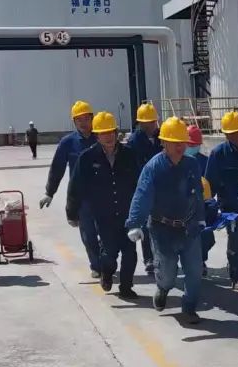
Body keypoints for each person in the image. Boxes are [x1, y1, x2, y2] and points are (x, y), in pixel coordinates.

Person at [126, 117, 206, 324]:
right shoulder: (153, 167)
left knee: (195, 271)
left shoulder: (192, 165)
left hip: (189, 227)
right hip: (162, 228)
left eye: (183, 142)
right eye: (175, 142)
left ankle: (189, 308)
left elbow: (197, 193)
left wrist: (201, 218)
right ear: (164, 142)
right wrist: (135, 223)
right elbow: (142, 194)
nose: (180, 147)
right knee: (167, 272)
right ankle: (163, 288)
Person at [65, 112, 141, 299]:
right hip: (103, 215)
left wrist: (142, 210)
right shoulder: (87, 158)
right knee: (110, 253)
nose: (108, 137)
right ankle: (106, 272)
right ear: (97, 135)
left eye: (111, 132)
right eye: (103, 133)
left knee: (130, 252)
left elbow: (140, 184)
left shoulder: (129, 155)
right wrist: (72, 213)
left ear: (116, 133)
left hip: (127, 213)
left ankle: (126, 287)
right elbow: (75, 186)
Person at [39, 100, 101, 278]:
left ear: (92, 118)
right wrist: (49, 192)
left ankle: (106, 261)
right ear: (74, 122)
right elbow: (57, 168)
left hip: (104, 194)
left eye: (86, 118)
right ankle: (97, 266)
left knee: (107, 233)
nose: (83, 123)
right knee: (88, 234)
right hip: (82, 197)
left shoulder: (102, 137)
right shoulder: (68, 143)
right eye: (79, 119)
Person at [204, 110, 238, 291]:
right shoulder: (218, 154)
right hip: (229, 206)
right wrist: (208, 206)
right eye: (231, 133)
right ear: (225, 135)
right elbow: (209, 183)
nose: (235, 136)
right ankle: (237, 278)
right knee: (234, 238)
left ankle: (234, 261)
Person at [126, 102, 163, 274]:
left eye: (152, 122)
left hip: (162, 186)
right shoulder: (134, 142)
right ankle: (149, 259)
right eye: (146, 123)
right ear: (140, 123)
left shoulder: (162, 136)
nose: (150, 126)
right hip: (143, 187)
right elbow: (129, 167)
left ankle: (162, 256)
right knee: (147, 225)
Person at [187, 125, 214, 277]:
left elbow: (211, 182)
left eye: (194, 145)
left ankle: (201, 260)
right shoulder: (177, 160)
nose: (192, 148)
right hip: (183, 205)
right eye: (189, 145)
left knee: (206, 236)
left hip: (202, 203)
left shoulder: (205, 161)